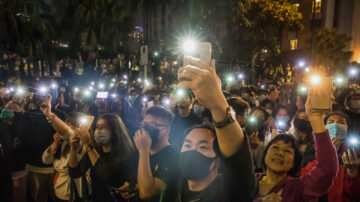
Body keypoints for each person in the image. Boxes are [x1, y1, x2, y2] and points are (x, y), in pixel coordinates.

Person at [174, 56, 258, 201]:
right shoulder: (177, 188)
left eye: (203, 147)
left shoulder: (230, 192)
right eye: (187, 145)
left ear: (219, 159)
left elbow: (237, 157)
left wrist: (217, 103)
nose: (192, 151)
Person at [254, 95, 339, 201]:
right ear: (265, 154)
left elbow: (327, 169)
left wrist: (315, 118)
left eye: (287, 150)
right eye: (275, 148)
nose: (280, 153)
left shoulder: (299, 188)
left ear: (294, 162)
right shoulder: (250, 181)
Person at [69, 113, 136, 202]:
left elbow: (105, 174)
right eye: (97, 127)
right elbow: (74, 172)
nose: (98, 130)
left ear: (115, 130)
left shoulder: (125, 153)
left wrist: (88, 146)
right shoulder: (95, 151)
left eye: (103, 127)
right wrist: (73, 149)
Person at [301, 112, 360, 202]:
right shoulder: (313, 147)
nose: (336, 125)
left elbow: (356, 192)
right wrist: (327, 154)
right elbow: (305, 177)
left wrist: (353, 172)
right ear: (325, 126)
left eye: (341, 122)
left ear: (347, 127)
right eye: (331, 122)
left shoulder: (354, 150)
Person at [127, 106, 179, 201]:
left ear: (167, 130)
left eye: (152, 125)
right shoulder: (140, 150)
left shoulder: (173, 157)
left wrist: (143, 151)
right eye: (144, 124)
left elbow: (146, 192)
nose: (146, 128)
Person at [42, 112, 86, 202]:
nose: (66, 126)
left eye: (71, 123)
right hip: (59, 189)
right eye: (65, 123)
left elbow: (68, 134)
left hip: (75, 192)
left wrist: (50, 116)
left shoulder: (81, 143)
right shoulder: (62, 143)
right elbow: (45, 160)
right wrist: (55, 143)